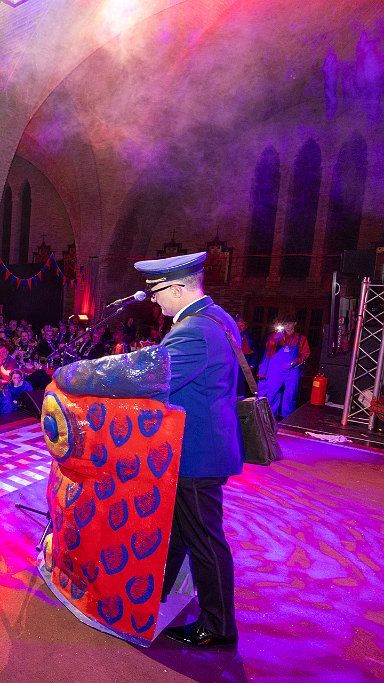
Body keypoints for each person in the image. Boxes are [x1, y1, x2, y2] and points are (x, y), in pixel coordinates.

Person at [134, 251, 241, 648]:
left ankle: (218, 626)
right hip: (204, 444)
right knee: (179, 530)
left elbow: (151, 379)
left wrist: (100, 373)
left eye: (157, 291)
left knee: (205, 540)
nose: (154, 299)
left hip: (197, 452)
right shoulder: (218, 317)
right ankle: (156, 591)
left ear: (178, 289)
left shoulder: (193, 330)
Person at [257, 314, 310, 419]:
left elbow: (305, 353)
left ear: (295, 323)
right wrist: (274, 339)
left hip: (292, 370)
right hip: (276, 369)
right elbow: (268, 348)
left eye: (290, 323)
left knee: (291, 394)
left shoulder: (301, 339)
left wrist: (294, 362)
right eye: (285, 324)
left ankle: (288, 417)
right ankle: (271, 416)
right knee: (273, 392)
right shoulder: (276, 336)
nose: (288, 326)